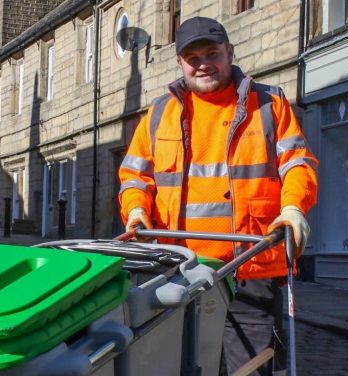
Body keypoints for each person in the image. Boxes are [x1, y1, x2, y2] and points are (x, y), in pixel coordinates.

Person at [118, 16, 318, 375]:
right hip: (178, 270)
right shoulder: (158, 113)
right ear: (180, 62)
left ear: (229, 52)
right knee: (181, 365)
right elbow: (135, 177)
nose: (203, 64)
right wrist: (135, 213)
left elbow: (298, 164)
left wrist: (292, 208)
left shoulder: (270, 105)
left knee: (251, 367)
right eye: (193, 58)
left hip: (252, 269)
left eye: (212, 53)